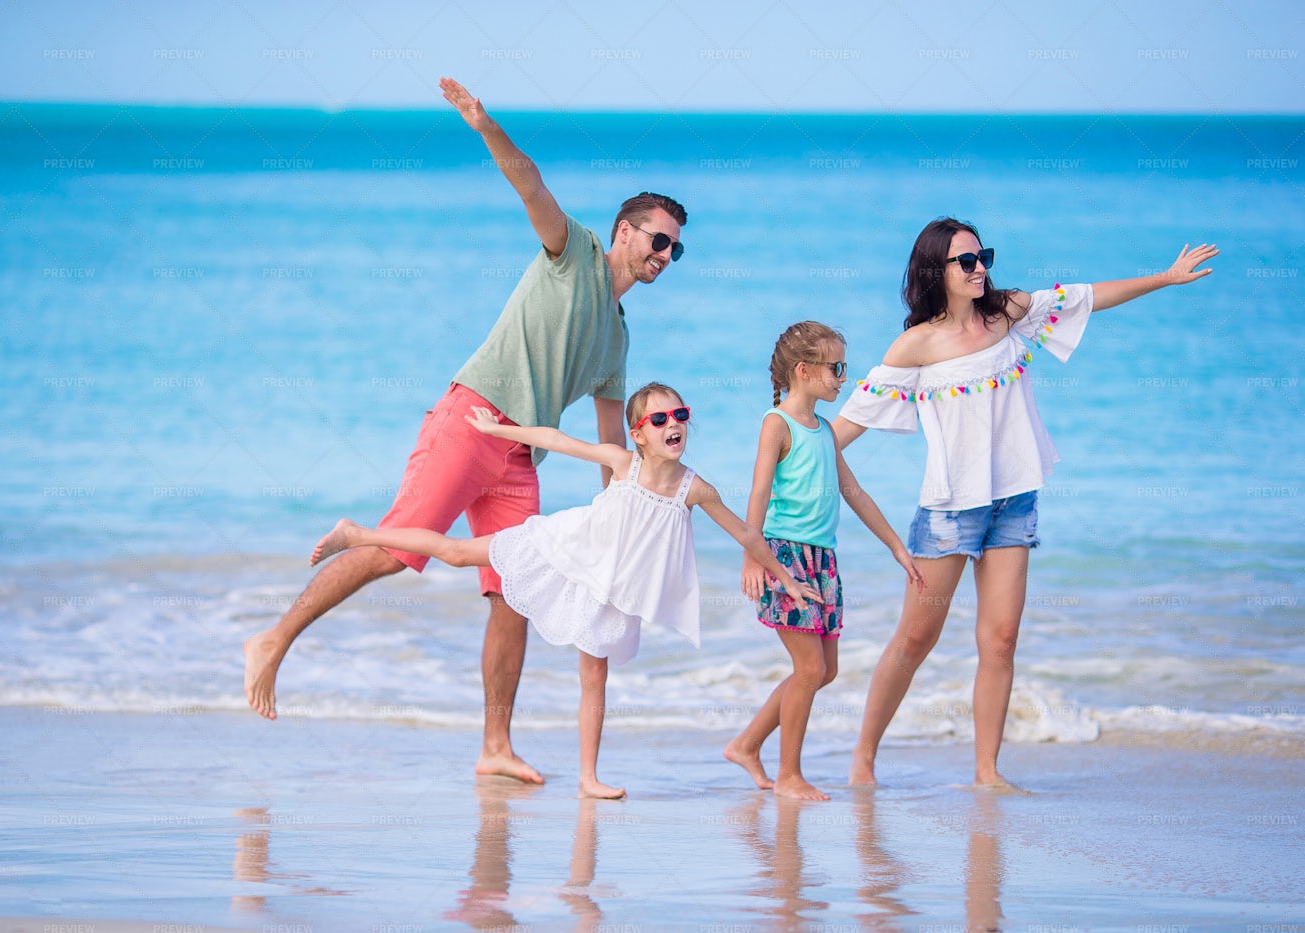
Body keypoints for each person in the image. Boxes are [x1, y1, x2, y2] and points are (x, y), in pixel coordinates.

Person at [242, 76, 689, 787]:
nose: (664, 255)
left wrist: (621, 529)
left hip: (519, 456)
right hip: (472, 416)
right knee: (397, 548)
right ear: (625, 232)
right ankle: (273, 638)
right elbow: (529, 182)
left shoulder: (617, 338)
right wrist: (484, 125)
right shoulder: (572, 252)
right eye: (658, 240)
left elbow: (612, 447)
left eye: (676, 249)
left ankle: (495, 745)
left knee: (514, 589)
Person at [832, 217, 1217, 788]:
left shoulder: (1007, 311)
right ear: (936, 271)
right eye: (966, 260)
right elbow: (847, 426)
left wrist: (1164, 278)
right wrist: (787, 452)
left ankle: (986, 770)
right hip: (949, 509)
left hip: (1013, 500)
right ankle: (863, 756)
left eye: (983, 255)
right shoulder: (916, 345)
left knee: (1001, 640)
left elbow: (1087, 296)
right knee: (916, 639)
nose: (980, 267)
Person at [307, 383, 822, 799]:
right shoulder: (625, 464)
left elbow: (748, 534)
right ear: (639, 434)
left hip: (607, 589)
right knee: (457, 552)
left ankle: (588, 778)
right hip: (565, 548)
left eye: (681, 415)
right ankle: (359, 534)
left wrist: (789, 580)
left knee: (594, 678)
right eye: (659, 420)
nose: (674, 425)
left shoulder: (695, 488)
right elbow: (557, 440)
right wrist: (497, 428)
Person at [723, 322, 924, 801]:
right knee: (809, 670)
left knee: (823, 670)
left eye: (843, 368)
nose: (841, 378)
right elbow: (758, 491)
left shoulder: (826, 430)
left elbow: (853, 491)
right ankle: (788, 775)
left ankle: (747, 744)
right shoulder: (778, 424)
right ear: (803, 371)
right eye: (835, 369)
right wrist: (755, 559)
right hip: (784, 558)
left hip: (823, 561)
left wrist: (896, 546)